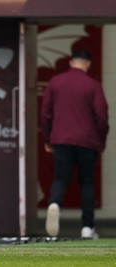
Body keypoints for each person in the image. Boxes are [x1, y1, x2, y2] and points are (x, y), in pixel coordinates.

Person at [41, 49, 109, 239]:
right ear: (88, 64)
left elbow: (45, 113)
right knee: (87, 182)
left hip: (61, 139)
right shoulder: (93, 85)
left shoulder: (55, 82)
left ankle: (54, 204)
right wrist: (101, 140)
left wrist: (47, 138)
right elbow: (102, 115)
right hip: (87, 141)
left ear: (71, 62)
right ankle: (87, 227)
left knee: (60, 178)